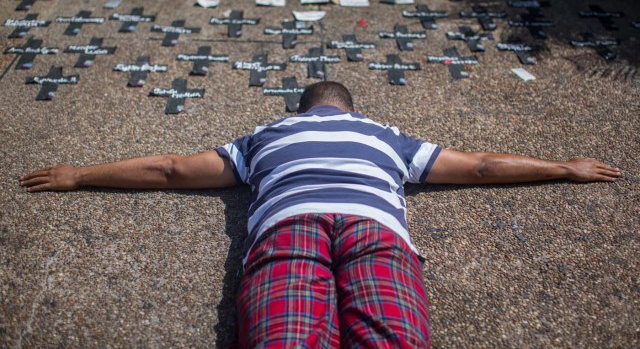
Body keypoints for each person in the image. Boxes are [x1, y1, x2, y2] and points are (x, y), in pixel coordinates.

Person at [19, 81, 620, 348]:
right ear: (352, 109)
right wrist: (563, 165)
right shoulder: (388, 138)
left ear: (300, 110)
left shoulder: (265, 136)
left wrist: (81, 174)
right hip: (376, 230)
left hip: (289, 229)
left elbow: (171, 169)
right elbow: (484, 165)